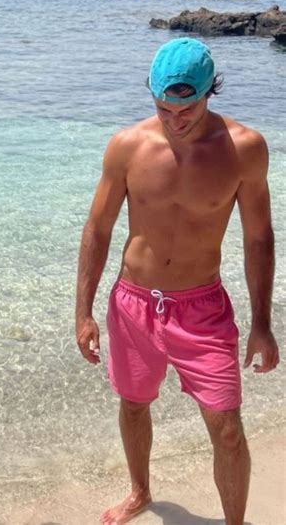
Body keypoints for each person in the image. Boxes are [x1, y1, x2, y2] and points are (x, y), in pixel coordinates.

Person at [75, 37, 279, 525]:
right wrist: (82, 312)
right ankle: (140, 491)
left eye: (185, 109)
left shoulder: (244, 149)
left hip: (202, 308)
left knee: (227, 425)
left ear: (210, 92)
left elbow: (259, 239)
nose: (174, 119)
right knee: (133, 405)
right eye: (163, 108)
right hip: (133, 305)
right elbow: (98, 229)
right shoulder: (128, 147)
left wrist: (263, 323)